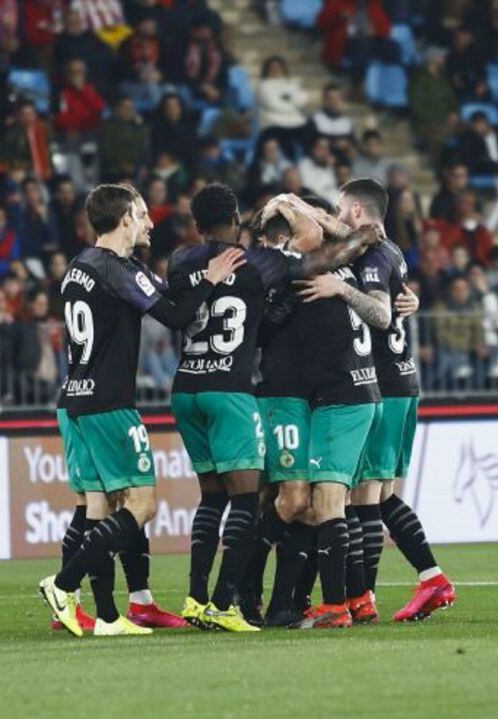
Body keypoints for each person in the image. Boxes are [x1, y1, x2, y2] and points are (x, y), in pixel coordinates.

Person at [38, 184, 243, 638]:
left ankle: (108, 617)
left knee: (97, 505)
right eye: (143, 214)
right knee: (142, 504)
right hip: (110, 403)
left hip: (76, 398)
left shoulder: (78, 267)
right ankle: (63, 584)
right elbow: (174, 316)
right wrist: (210, 279)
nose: (151, 223)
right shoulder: (117, 268)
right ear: (124, 218)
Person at [171, 183, 376, 632]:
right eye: (307, 225)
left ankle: (274, 601)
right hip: (274, 396)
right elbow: (350, 245)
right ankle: (239, 596)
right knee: (284, 499)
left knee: (289, 503)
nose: (316, 231)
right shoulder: (279, 267)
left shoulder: (195, 262)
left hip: (296, 399)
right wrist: (318, 218)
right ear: (283, 237)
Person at [325, 179, 456, 622]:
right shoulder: (393, 250)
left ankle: (409, 583)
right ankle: (395, 589)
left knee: (366, 498)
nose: (337, 216)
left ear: (358, 211)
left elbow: (380, 315)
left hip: (384, 386)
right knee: (377, 497)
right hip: (403, 383)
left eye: (341, 209)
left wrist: (341, 291)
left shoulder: (375, 258)